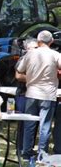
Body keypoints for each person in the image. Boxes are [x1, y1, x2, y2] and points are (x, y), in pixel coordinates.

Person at [16, 30, 61, 160]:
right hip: (48, 94)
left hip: (31, 93)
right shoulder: (56, 55)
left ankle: (27, 151)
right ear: (51, 41)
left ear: (38, 41)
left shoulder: (30, 54)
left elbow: (19, 71)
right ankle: (42, 153)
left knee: (29, 124)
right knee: (44, 125)